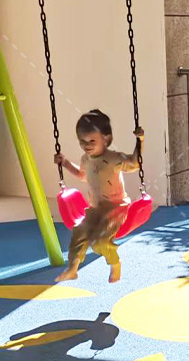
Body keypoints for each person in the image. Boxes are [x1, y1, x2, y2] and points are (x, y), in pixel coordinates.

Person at [54, 109, 143, 283]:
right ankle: (72, 269)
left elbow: (134, 163)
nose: (86, 145)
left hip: (116, 209)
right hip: (95, 209)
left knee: (99, 241)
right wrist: (65, 163)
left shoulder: (114, 158)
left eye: (92, 141)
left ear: (106, 139)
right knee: (78, 232)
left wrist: (140, 141)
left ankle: (115, 263)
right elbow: (82, 175)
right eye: (82, 141)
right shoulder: (86, 159)